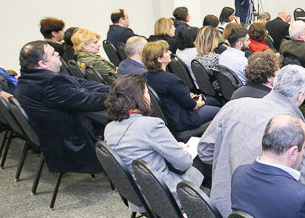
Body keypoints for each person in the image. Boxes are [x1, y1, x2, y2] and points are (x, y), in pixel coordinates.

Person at [199, 65, 305, 217]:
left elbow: (205, 152)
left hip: (220, 214)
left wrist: (228, 165)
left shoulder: (233, 106)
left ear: (274, 84)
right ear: (301, 95)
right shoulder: (304, 135)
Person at [14, 41, 109, 176]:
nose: (57, 53)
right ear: (42, 63)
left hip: (58, 131)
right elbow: (87, 101)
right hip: (71, 138)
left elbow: (78, 82)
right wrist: (118, 96)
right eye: (53, 54)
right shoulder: (50, 82)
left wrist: (111, 89)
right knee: (124, 120)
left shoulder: (32, 77)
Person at [103, 74, 203, 202]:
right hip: (168, 194)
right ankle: (206, 205)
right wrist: (181, 150)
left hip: (140, 195)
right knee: (205, 156)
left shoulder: (109, 128)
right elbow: (184, 163)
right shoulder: (151, 125)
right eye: (147, 91)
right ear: (142, 96)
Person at [142, 41, 220, 132]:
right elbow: (191, 105)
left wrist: (186, 94)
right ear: (159, 59)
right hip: (183, 119)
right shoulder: (170, 79)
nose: (170, 52)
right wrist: (199, 103)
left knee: (211, 101)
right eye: (166, 51)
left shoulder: (144, 76)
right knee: (221, 111)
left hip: (169, 117)